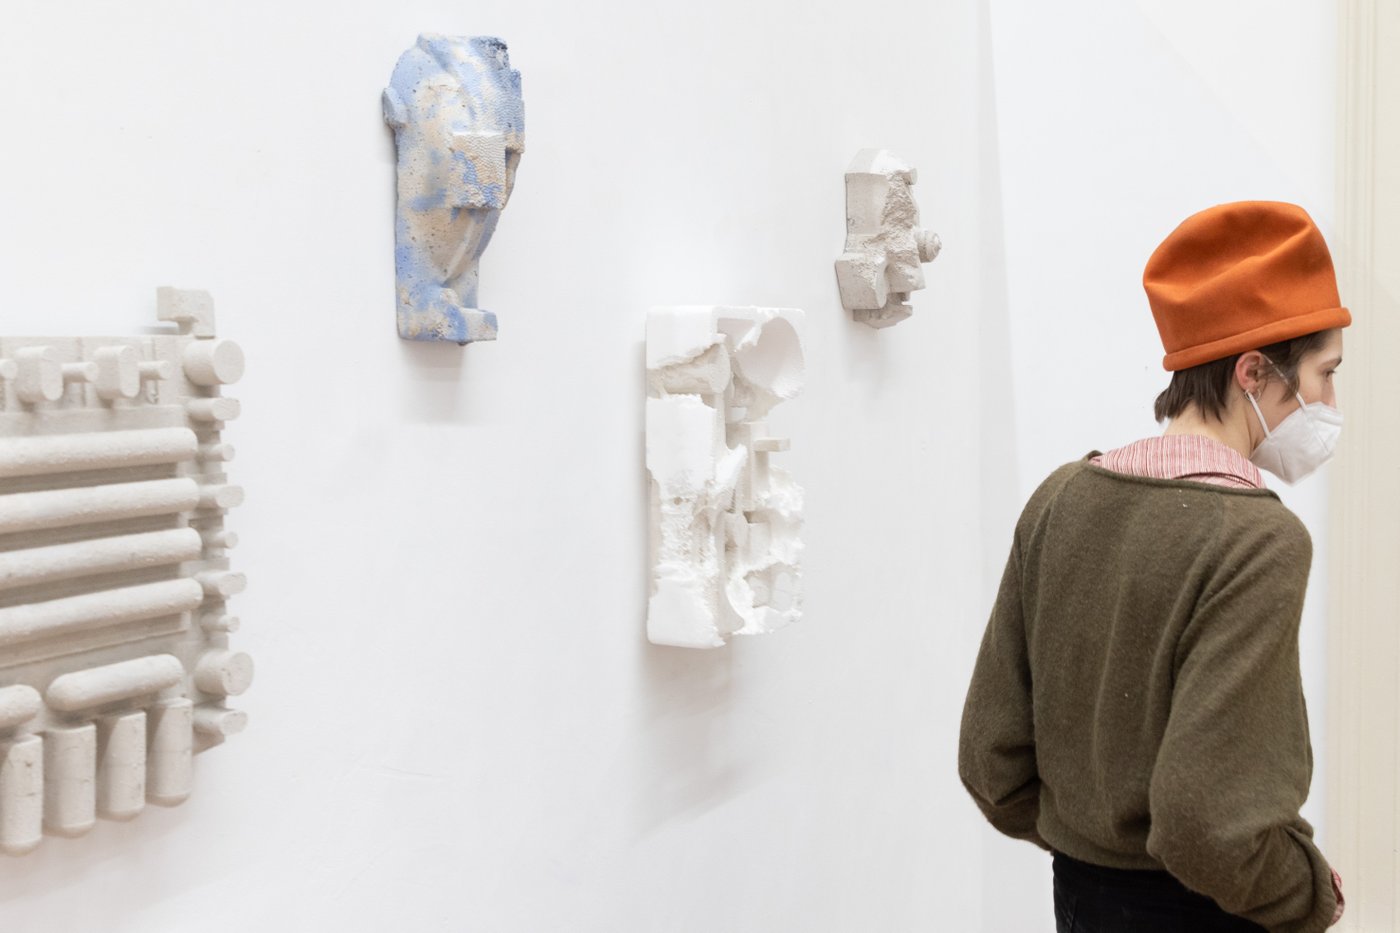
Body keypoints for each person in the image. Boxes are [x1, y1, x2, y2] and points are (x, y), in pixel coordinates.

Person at [958, 201, 1348, 932]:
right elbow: (1207, 824)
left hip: (1077, 901)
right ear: (1254, 371)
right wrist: (1311, 895)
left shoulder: (1060, 498)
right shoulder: (1259, 540)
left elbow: (991, 759)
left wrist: (1090, 848)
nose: (1331, 401)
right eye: (1325, 373)